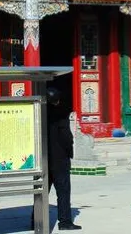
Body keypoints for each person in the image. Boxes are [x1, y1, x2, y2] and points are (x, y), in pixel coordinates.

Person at [45, 86, 82, 230]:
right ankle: (65, 221)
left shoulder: (39, 114)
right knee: (63, 191)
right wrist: (69, 151)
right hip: (60, 159)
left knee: (42, 192)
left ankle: (36, 219)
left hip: (43, 159)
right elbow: (66, 137)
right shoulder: (60, 115)